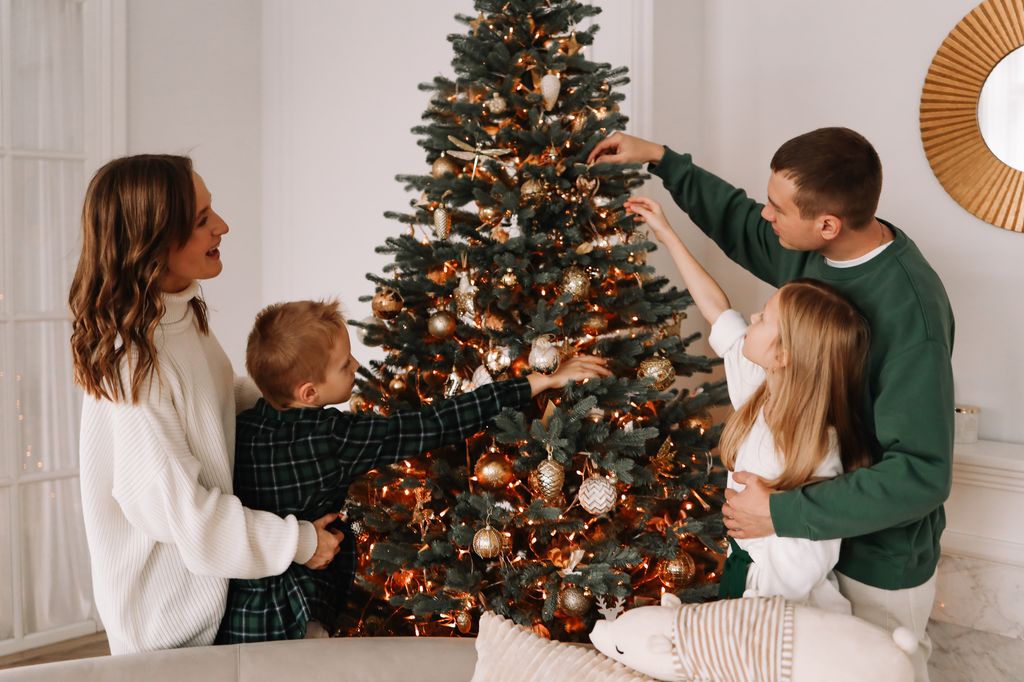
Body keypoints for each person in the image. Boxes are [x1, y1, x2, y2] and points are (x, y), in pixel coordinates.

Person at [593, 128, 954, 681]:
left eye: (778, 208)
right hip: (790, 550)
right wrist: (662, 160)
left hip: (876, 560)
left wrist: (778, 514)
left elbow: (921, 476)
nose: (765, 216)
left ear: (827, 224)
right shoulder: (806, 256)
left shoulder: (912, 315)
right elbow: (736, 223)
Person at [69, 155, 344, 654]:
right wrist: (299, 543)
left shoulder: (176, 318)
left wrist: (302, 386)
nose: (222, 226)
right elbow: (187, 517)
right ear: (152, 243)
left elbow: (216, 405)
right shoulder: (133, 363)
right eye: (201, 221)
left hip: (214, 601)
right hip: (170, 633)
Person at [215, 299, 611, 642]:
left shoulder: (242, 428)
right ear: (308, 393)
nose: (355, 364)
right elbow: (435, 423)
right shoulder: (333, 438)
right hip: (296, 615)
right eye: (343, 364)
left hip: (240, 611)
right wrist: (538, 382)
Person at [627, 196, 872, 613]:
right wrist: (667, 234)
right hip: (743, 577)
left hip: (782, 605)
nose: (752, 318)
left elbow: (807, 558)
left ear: (784, 355)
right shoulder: (758, 386)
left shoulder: (815, 443)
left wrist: (769, 532)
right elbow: (717, 309)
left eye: (763, 319)